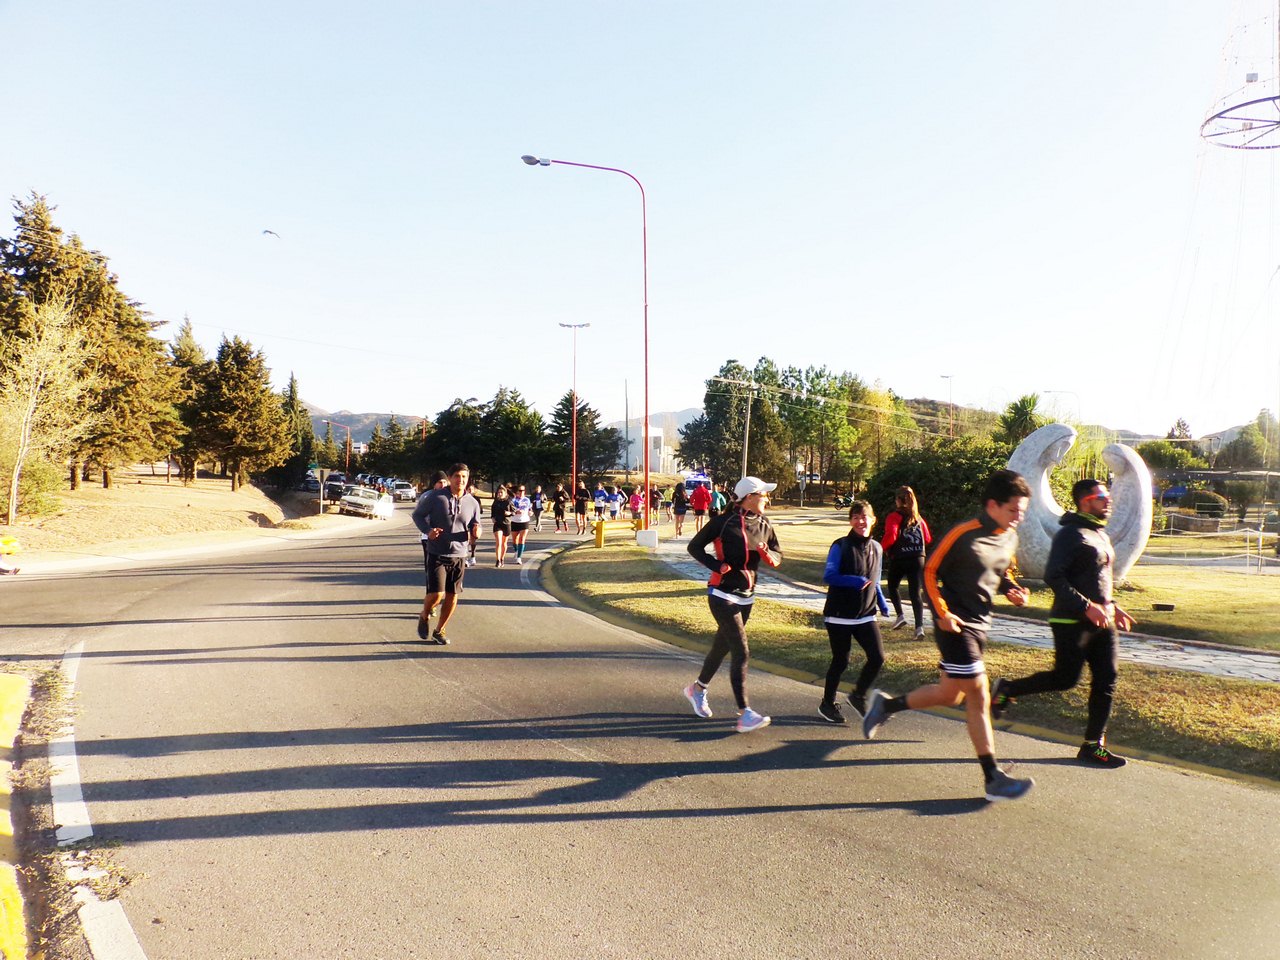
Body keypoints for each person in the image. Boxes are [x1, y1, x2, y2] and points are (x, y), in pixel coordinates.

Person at [860, 470, 1036, 803]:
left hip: (982, 624)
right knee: (979, 693)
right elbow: (929, 571)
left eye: (1023, 511)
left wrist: (1013, 589)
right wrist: (941, 613)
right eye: (1014, 510)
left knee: (950, 694)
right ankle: (992, 776)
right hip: (954, 623)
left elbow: (1003, 570)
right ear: (993, 505)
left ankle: (887, 705)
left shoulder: (1009, 536)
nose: (1019, 517)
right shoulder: (963, 533)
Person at [990, 479, 1135, 768]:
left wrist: (1112, 606)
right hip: (1070, 620)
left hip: (1101, 620)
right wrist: (1086, 606)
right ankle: (1006, 689)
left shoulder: (1099, 534)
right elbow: (1054, 576)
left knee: (1107, 678)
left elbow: (1097, 580)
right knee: (1066, 679)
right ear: (1085, 501)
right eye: (1102, 496)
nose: (1109, 501)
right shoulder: (1070, 534)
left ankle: (1094, 746)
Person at [681, 476, 783, 733]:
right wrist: (718, 566)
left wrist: (768, 556)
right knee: (742, 651)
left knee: (721, 646)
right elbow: (694, 547)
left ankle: (697, 689)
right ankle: (744, 712)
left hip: (747, 595)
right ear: (749, 497)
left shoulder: (764, 523)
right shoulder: (723, 522)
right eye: (763, 495)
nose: (767, 499)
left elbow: (778, 553)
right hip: (722, 594)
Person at [819, 501, 890, 723]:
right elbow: (829, 576)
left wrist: (882, 602)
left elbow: (874, 580)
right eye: (856, 517)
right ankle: (827, 704)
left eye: (865, 516)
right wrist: (853, 580)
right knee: (841, 661)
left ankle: (858, 696)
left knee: (877, 658)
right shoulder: (840, 545)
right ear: (850, 521)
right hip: (839, 614)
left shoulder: (877, 548)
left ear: (873, 519)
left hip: (866, 614)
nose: (861, 521)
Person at [410, 463, 482, 644]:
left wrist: (477, 531)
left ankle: (439, 630)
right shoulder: (435, 497)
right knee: (437, 594)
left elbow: (476, 523)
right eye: (457, 476)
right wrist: (428, 530)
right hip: (437, 552)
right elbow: (417, 515)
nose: (461, 480)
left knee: (453, 595)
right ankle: (425, 614)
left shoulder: (473, 502)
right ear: (450, 478)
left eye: (464, 477)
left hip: (459, 554)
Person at [882, 485, 933, 640]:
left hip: (900, 557)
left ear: (898, 500)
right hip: (918, 558)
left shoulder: (895, 516)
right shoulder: (918, 518)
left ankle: (900, 615)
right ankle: (919, 628)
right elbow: (928, 538)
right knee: (915, 593)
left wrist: (880, 547)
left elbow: (891, 535)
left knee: (892, 585)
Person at [491, 484, 513, 566]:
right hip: (497, 524)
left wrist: (509, 513)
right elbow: (492, 511)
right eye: (498, 492)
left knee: (504, 543)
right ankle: (497, 560)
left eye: (501, 492)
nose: (499, 494)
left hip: (506, 523)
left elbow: (514, 512)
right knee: (498, 542)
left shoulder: (509, 501)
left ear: (505, 493)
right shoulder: (496, 501)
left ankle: (502, 558)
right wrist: (492, 517)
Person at [510, 484, 533, 564]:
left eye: (523, 490)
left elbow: (528, 508)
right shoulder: (513, 500)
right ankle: (516, 551)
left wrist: (530, 512)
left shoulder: (527, 500)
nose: (522, 492)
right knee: (514, 540)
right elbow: (512, 509)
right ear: (517, 492)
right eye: (520, 490)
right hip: (515, 521)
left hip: (524, 521)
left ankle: (519, 557)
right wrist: (515, 511)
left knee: (522, 539)